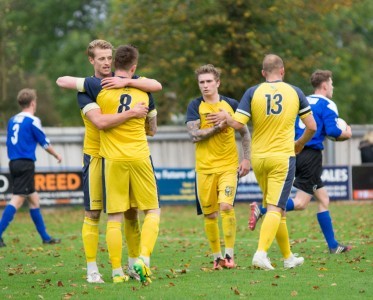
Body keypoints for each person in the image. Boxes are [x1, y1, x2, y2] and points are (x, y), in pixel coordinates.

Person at [56, 39, 162, 284]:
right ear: (91, 60)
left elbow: (155, 85)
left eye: (108, 57)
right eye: (100, 58)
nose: (106, 62)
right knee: (93, 213)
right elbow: (101, 122)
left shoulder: (125, 81)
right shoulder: (90, 88)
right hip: (96, 155)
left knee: (131, 212)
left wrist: (127, 81)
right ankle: (93, 269)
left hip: (116, 156)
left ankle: (132, 265)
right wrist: (133, 114)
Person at [221, 54, 316, 270]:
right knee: (275, 207)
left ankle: (288, 257)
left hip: (260, 158)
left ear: (263, 73)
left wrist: (226, 118)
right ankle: (261, 254)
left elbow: (237, 124)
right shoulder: (295, 92)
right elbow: (311, 126)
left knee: (276, 207)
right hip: (282, 157)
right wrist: (300, 143)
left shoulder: (253, 92)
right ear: (282, 71)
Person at [249, 69, 353, 254]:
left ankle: (333, 245)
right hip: (311, 156)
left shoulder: (301, 98)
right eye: (331, 84)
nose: (332, 87)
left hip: (293, 150)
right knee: (300, 203)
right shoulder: (328, 104)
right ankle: (262, 209)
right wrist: (346, 133)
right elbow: (332, 131)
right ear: (325, 85)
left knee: (323, 198)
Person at [186, 64, 251, 269]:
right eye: (201, 82)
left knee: (226, 207)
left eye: (209, 82)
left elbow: (244, 132)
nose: (205, 86)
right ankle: (216, 258)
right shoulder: (195, 106)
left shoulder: (231, 104)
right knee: (210, 214)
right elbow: (194, 136)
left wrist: (247, 159)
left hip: (228, 166)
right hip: (204, 168)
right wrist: (218, 127)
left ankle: (230, 256)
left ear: (218, 83)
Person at [0, 88, 62, 248]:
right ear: (33, 103)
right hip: (25, 163)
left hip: (14, 162)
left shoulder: (12, 120)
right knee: (18, 199)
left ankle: (46, 238)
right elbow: (44, 142)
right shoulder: (32, 120)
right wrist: (56, 155)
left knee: (34, 199)